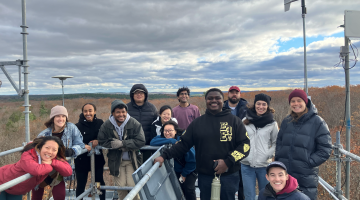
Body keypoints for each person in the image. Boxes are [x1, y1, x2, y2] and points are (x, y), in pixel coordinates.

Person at [154, 88, 250, 200]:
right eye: (210, 98)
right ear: (206, 101)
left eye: (217, 98)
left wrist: (228, 161)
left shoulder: (234, 121)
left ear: (222, 100)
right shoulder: (197, 123)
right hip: (205, 176)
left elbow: (245, 145)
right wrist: (164, 156)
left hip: (229, 176)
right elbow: (183, 144)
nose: (214, 100)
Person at [275, 89, 332, 200]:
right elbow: (279, 142)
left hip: (305, 176)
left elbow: (325, 149)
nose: (296, 104)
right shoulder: (286, 121)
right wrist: (279, 162)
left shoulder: (317, 122)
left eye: (299, 100)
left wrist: (308, 162)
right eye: (293, 101)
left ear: (305, 102)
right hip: (285, 173)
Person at [33, 105, 86, 200]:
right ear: (53, 118)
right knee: (37, 193)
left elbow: (80, 144)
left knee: (60, 195)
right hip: (44, 167)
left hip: (59, 168)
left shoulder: (71, 128)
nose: (61, 119)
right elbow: (35, 151)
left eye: (63, 116)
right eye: (58, 116)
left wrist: (72, 150)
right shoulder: (44, 135)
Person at [98, 100, 145, 200]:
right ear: (113, 113)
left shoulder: (134, 123)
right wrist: (113, 144)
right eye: (118, 112)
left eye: (123, 111)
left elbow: (141, 141)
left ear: (126, 112)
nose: (121, 114)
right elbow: (101, 140)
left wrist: (123, 144)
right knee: (121, 188)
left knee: (133, 187)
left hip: (132, 160)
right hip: (116, 161)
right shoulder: (107, 125)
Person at [0, 136, 72, 200]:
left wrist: (52, 162)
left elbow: (68, 171)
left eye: (54, 150)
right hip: (2, 181)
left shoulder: (53, 158)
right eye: (47, 148)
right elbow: (36, 170)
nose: (50, 152)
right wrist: (49, 166)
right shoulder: (28, 154)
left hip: (15, 189)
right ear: (40, 147)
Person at [241, 93, 279, 200]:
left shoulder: (272, 124)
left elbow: (277, 142)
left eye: (264, 104)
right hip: (246, 165)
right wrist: (243, 153)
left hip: (264, 166)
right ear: (255, 104)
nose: (261, 107)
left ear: (267, 106)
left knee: (266, 195)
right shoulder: (244, 121)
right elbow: (238, 140)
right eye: (258, 104)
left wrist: (269, 154)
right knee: (249, 196)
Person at [150, 120, 196, 200]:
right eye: (165, 131)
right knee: (176, 189)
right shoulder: (165, 138)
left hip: (190, 169)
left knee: (189, 189)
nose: (167, 133)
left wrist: (184, 174)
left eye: (170, 130)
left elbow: (193, 161)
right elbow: (152, 142)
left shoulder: (184, 142)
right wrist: (171, 140)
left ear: (176, 131)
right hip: (175, 170)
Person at [75, 103, 106, 200]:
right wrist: (83, 145)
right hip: (81, 160)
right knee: (81, 184)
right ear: (82, 112)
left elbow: (105, 137)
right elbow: (75, 140)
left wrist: (98, 141)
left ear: (95, 112)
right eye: (85, 111)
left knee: (99, 182)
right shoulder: (77, 126)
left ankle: (102, 199)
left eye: (90, 111)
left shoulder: (100, 123)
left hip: (97, 159)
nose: (88, 113)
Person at [223, 85, 248, 200]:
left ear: (240, 95)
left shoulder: (247, 109)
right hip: (225, 148)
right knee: (228, 183)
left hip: (241, 147)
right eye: (232, 92)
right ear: (228, 94)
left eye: (236, 92)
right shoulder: (221, 108)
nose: (234, 94)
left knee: (242, 182)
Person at [127, 84, 158, 161]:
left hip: (147, 146)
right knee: (132, 170)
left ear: (145, 94)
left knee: (145, 170)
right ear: (132, 95)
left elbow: (157, 125)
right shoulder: (126, 108)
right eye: (136, 92)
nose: (139, 94)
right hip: (130, 146)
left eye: (141, 92)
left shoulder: (152, 108)